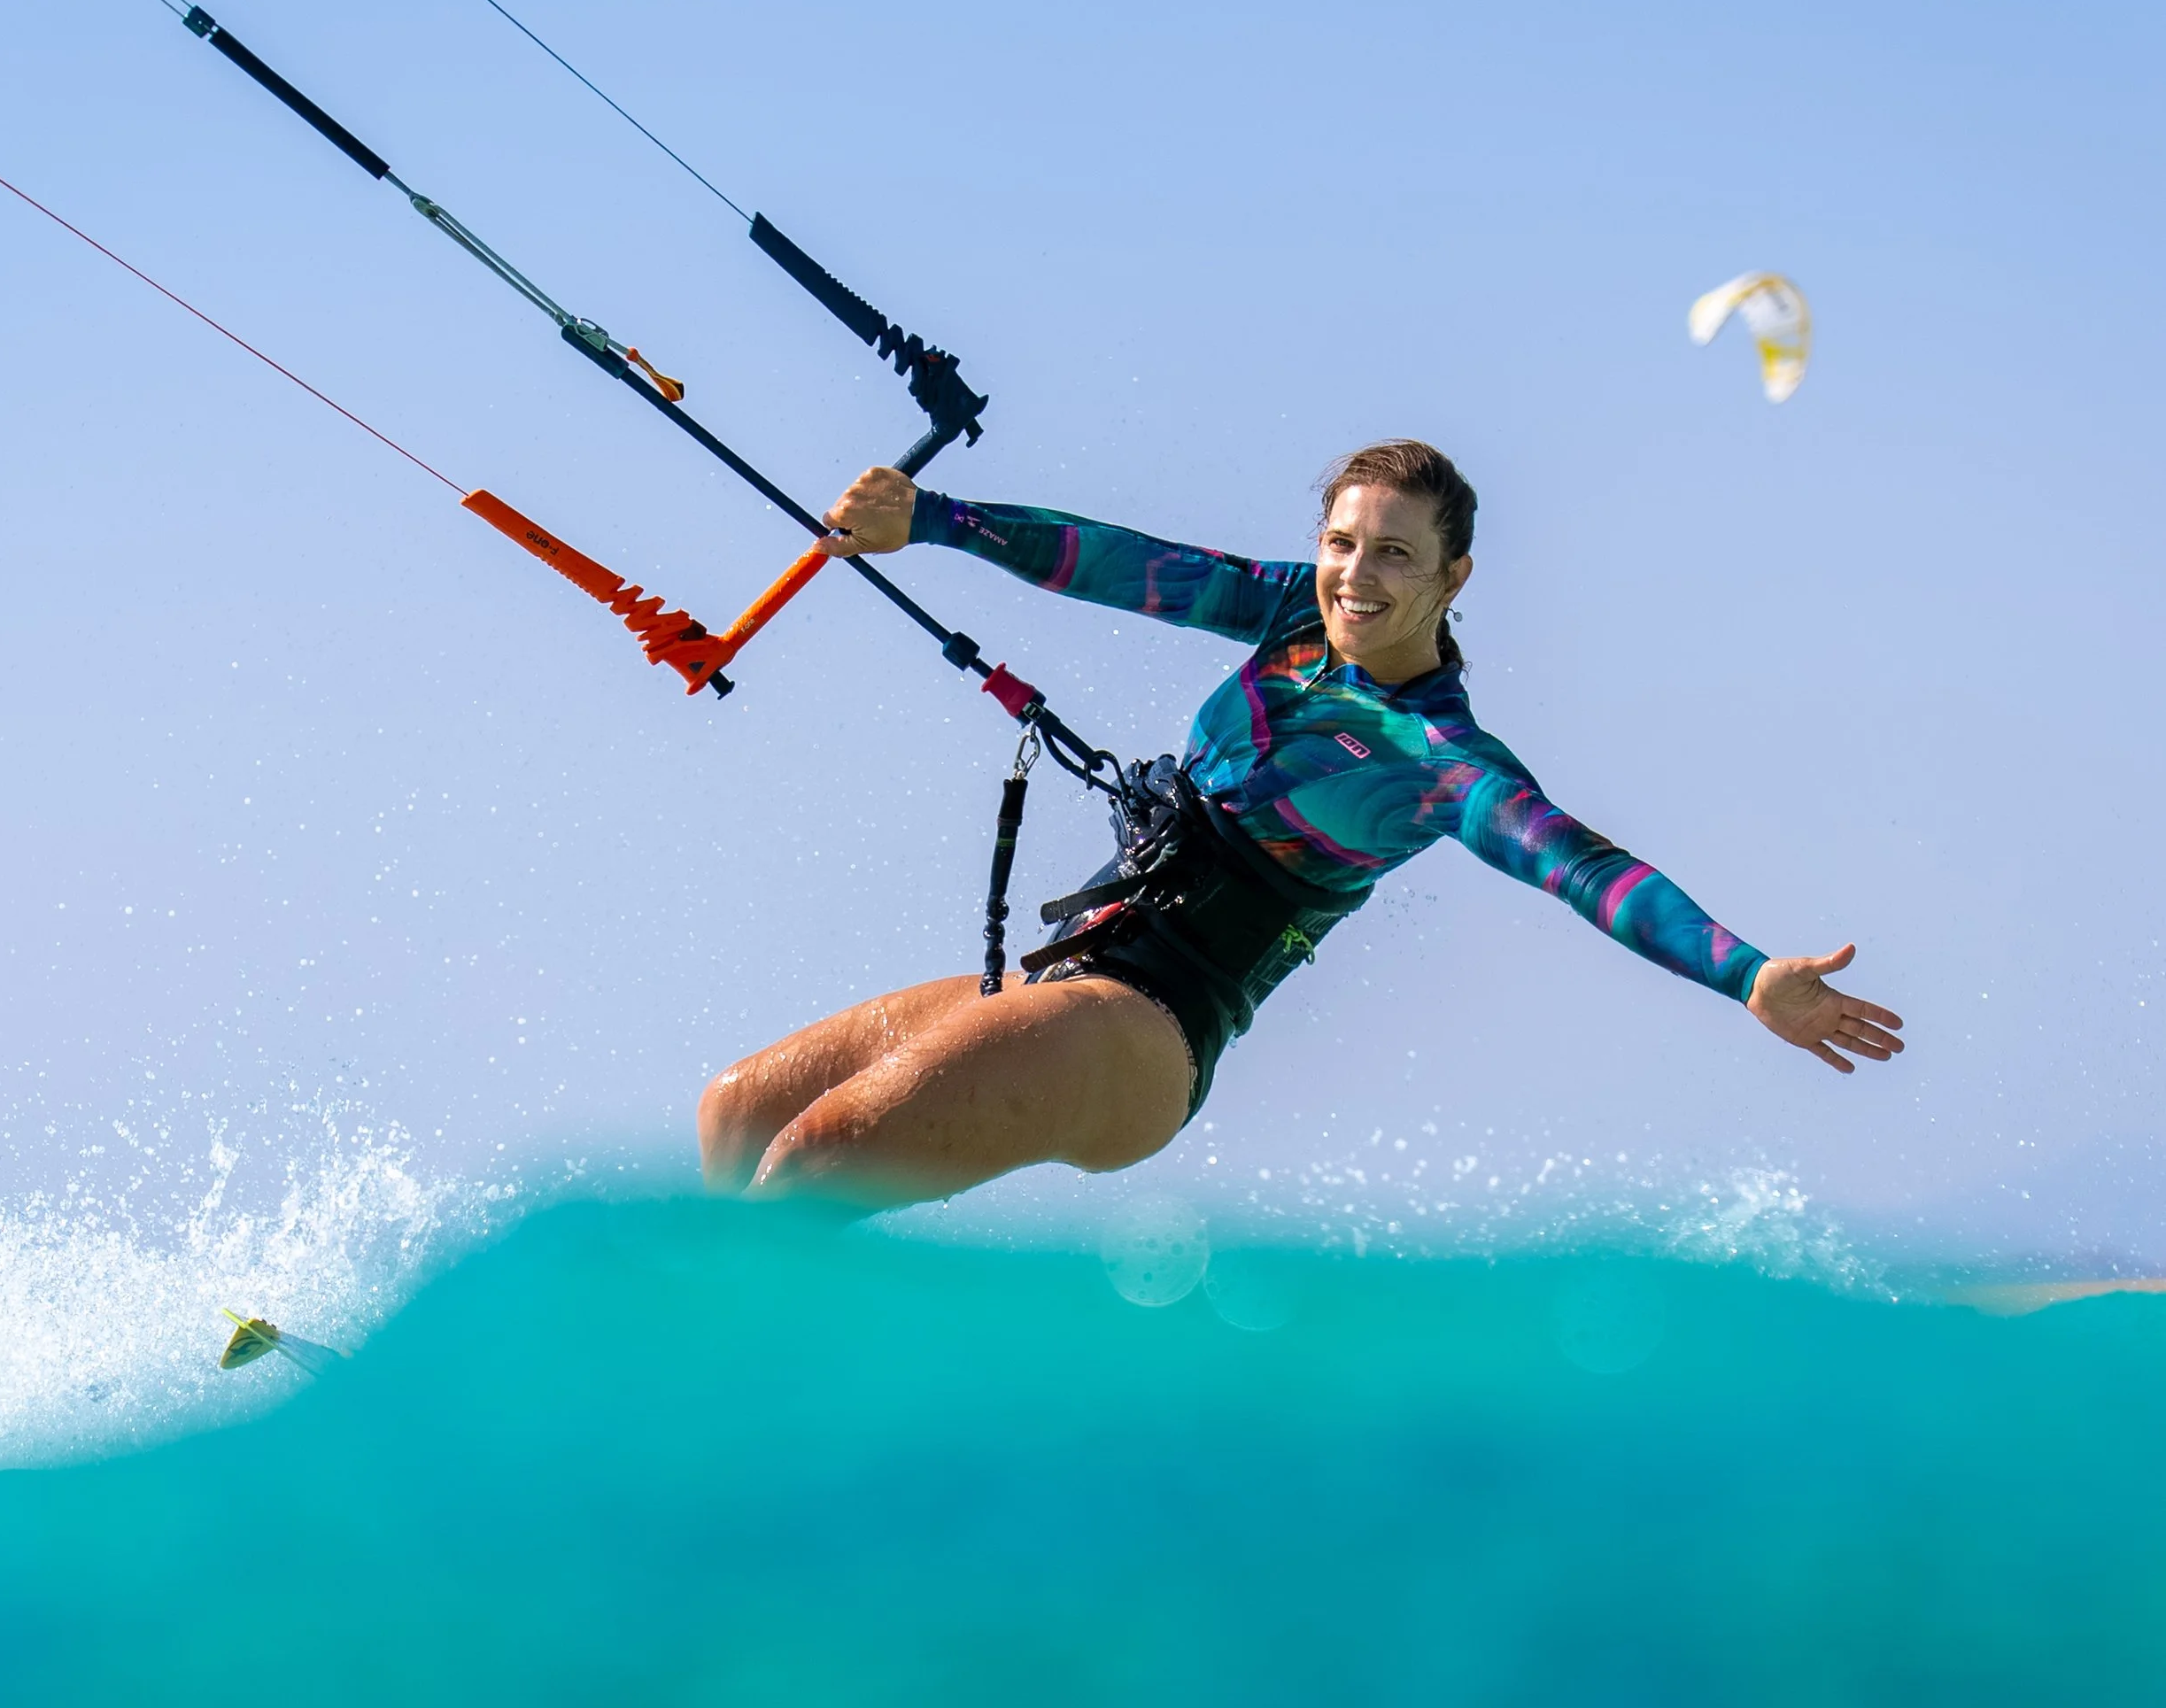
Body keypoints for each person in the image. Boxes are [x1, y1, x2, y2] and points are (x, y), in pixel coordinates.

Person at [699, 440, 1903, 1207]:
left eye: (1393, 552)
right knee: (737, 1109)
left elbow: (1578, 864)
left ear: (1453, 575)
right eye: (1340, 542)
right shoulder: (1284, 615)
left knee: (819, 1158)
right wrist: (939, 517)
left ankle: (718, 1420)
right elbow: (1124, 562)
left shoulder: (1436, 758)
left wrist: (1748, 975)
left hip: (1148, 1028)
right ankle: (701, 1369)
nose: (1353, 574)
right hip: (1069, 971)